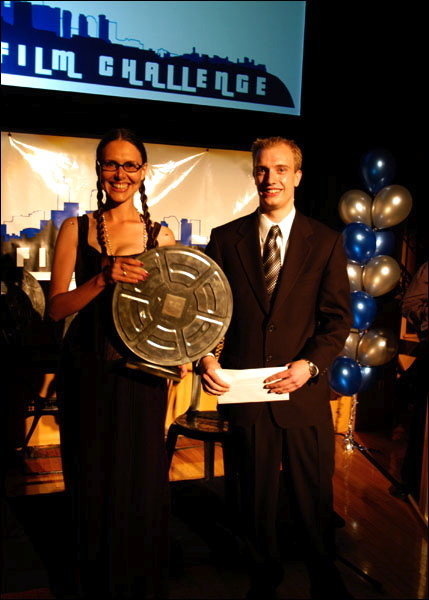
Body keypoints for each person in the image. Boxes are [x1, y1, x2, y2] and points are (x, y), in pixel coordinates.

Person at [199, 137, 353, 599]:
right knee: (253, 498)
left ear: (298, 176)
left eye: (281, 170)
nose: (271, 179)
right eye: (263, 170)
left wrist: (309, 365)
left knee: (312, 497)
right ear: (254, 174)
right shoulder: (226, 239)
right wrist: (206, 355)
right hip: (245, 394)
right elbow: (211, 313)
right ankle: (262, 579)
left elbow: (337, 320)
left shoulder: (325, 242)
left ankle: (324, 577)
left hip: (302, 392)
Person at [48, 128, 185, 599]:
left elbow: (179, 310)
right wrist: (102, 278)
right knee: (90, 477)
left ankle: (136, 583)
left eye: (130, 165)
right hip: (86, 370)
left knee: (139, 480)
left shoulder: (160, 235)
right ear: (99, 170)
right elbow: (56, 308)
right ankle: (91, 582)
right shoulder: (75, 228)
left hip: (141, 375)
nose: (120, 174)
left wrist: (185, 356)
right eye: (111, 164)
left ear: (143, 172)